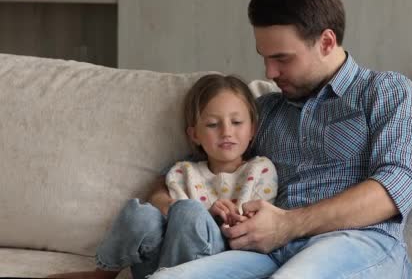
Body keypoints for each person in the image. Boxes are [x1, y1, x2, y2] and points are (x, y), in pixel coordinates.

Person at [148, 0, 412, 279]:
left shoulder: (385, 91)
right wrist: (173, 205)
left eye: (282, 58)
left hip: (360, 242)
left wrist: (287, 224)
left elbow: (393, 189)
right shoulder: (265, 110)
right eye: (265, 58)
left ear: (326, 42)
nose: (270, 72)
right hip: (271, 252)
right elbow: (185, 171)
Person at [48, 74, 278, 279]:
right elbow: (168, 219)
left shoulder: (260, 170)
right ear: (194, 135)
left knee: (190, 211)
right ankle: (103, 274)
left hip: (210, 264)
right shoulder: (182, 172)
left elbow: (258, 227)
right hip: (160, 263)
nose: (226, 131)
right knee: (141, 213)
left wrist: (226, 220)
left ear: (252, 130)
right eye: (212, 124)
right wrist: (204, 211)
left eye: (237, 122)